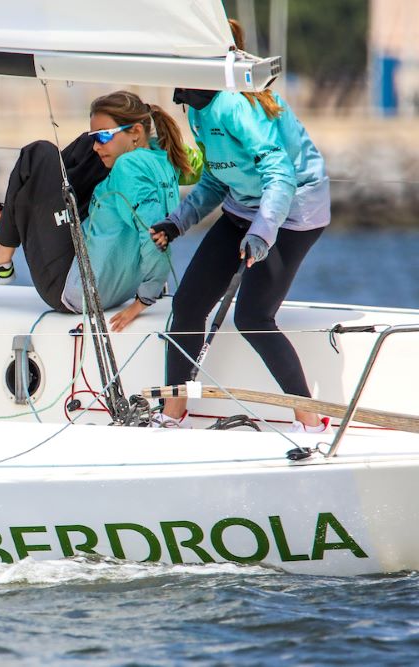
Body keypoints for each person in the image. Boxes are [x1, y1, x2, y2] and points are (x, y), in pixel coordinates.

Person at [149, 19, 331, 432]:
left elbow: (280, 175)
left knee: (252, 315)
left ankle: (308, 416)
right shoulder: (198, 107)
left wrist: (262, 234)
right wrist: (178, 222)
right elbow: (217, 176)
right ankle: (174, 411)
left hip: (293, 211)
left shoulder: (235, 104)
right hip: (245, 208)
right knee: (188, 304)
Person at [0, 90, 200, 331]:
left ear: (136, 131)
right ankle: (12, 218)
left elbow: (156, 238)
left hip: (72, 290)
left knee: (38, 154)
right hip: (112, 284)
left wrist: (144, 300)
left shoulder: (129, 169)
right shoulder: (165, 159)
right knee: (88, 147)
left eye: (104, 136)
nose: (98, 145)